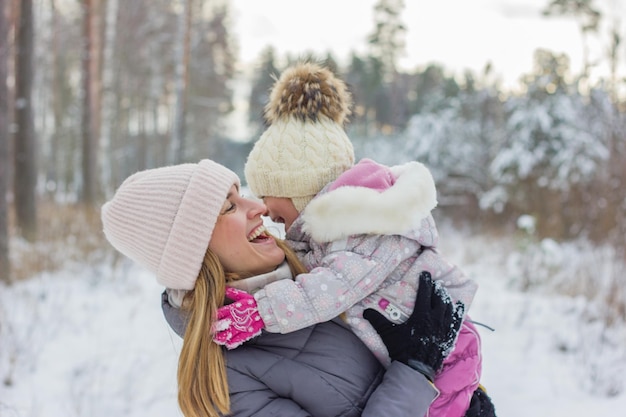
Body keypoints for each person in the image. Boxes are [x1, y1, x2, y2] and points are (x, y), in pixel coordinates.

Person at [216, 62, 496, 417]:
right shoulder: (340, 235)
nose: (263, 207)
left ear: (300, 191)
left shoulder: (362, 235)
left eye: (269, 192)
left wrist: (260, 311)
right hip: (422, 352)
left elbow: (329, 288)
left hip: (447, 350)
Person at [100, 159, 466, 417]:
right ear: (194, 250)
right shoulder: (227, 382)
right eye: (229, 206)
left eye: (240, 193)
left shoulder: (323, 267)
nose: (257, 206)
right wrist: (416, 370)